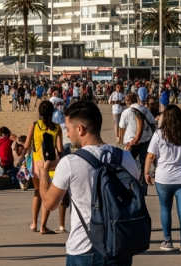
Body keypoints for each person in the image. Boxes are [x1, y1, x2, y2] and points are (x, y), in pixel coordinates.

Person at [39, 101, 140, 265]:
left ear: (80, 129)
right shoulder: (125, 158)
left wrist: (44, 171)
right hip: (119, 245)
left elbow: (49, 204)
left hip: (83, 250)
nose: (68, 133)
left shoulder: (70, 162)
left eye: (68, 128)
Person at [144, 104, 181, 252]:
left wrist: (146, 172)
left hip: (164, 177)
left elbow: (150, 156)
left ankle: (168, 241)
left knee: (165, 208)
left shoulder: (159, 134)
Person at [22, 101, 63, 234]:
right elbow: (60, 149)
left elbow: (27, 145)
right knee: (47, 195)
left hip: (37, 165)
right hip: (51, 165)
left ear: (40, 112)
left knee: (37, 193)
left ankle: (34, 223)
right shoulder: (57, 127)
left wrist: (20, 157)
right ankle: (43, 227)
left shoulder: (34, 125)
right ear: (53, 112)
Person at [118, 93, 156, 195]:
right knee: (144, 164)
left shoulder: (126, 112)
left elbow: (122, 126)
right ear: (136, 99)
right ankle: (143, 189)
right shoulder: (144, 109)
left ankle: (128, 185)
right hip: (145, 140)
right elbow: (152, 121)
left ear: (127, 102)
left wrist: (121, 138)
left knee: (126, 163)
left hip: (131, 142)